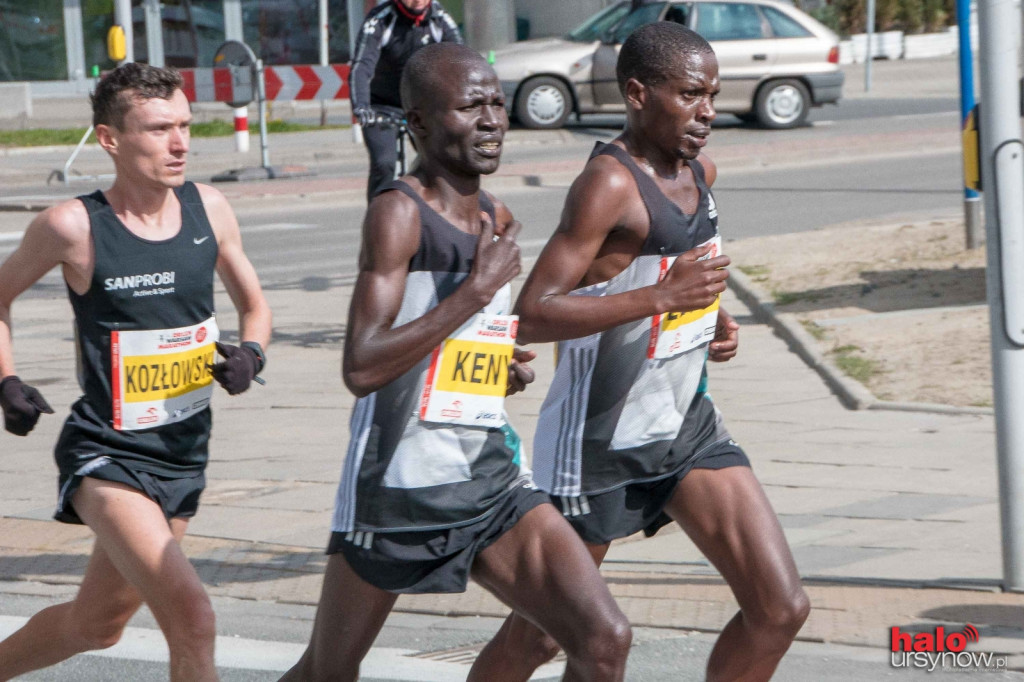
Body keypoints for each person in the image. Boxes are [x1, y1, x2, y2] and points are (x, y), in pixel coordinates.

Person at [468, 22, 810, 682]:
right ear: (636, 93)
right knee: (548, 638)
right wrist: (665, 300)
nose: (707, 111)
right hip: (599, 442)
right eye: (689, 95)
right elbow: (531, 315)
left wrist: (711, 318)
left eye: (711, 94)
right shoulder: (609, 185)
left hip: (685, 426)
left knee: (780, 607)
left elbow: (676, 276)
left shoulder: (698, 170)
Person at [280, 42, 631, 682]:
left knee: (602, 638)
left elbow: (454, 348)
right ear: (416, 122)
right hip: (399, 487)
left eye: (497, 101)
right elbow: (361, 365)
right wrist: (474, 290)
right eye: (470, 106)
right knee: (328, 673)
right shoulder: (397, 213)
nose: (493, 119)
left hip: (492, 477)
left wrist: (496, 363)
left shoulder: (496, 217)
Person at [0, 62, 271, 682]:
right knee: (193, 618)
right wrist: (6, 382)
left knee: (95, 625)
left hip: (182, 451)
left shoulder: (211, 208)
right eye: (157, 129)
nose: (179, 144)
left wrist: (251, 356)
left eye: (184, 125)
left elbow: (255, 307)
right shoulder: (72, 226)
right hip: (106, 453)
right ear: (110, 139)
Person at [350, 0, 462, 200]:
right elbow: (362, 66)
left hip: (421, 106)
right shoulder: (380, 19)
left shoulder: (439, 18)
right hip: (380, 106)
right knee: (384, 164)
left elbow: (459, 62)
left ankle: (439, 216)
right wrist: (361, 106)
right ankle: (379, 221)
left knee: (441, 162)